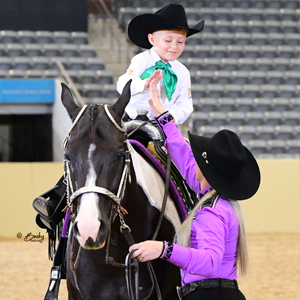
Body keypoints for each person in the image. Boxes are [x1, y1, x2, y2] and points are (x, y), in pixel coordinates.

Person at [129, 82, 261, 300]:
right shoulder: (217, 199)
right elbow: (185, 159)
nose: (195, 158)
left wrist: (163, 249)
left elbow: (210, 261)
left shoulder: (211, 212)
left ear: (208, 173)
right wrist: (163, 117)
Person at [117, 4, 205, 125]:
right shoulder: (141, 60)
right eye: (168, 40)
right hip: (133, 123)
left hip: (163, 125)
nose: (174, 46)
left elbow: (185, 104)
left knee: (183, 144)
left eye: (180, 41)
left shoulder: (182, 72)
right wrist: (144, 84)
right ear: (152, 40)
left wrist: (169, 116)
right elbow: (122, 84)